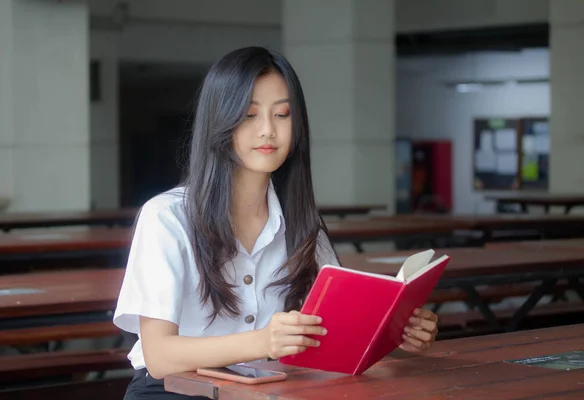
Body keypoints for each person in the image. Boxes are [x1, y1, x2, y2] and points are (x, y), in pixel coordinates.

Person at [114, 46, 439, 399]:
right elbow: (160, 357)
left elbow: (334, 329)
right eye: (249, 115)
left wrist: (395, 332)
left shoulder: (301, 220)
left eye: (282, 114)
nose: (268, 130)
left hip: (264, 389)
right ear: (220, 123)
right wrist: (263, 341)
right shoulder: (167, 217)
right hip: (172, 391)